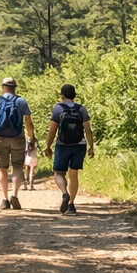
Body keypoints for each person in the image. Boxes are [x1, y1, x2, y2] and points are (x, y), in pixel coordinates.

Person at [0, 76, 36, 211]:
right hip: (18, 137)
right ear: (15, 88)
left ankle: (5, 199)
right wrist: (32, 137)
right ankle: (15, 195)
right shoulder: (21, 101)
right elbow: (28, 122)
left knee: (2, 168)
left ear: (3, 87)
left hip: (0, 137)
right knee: (18, 166)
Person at [43, 84, 94, 216]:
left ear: (62, 95)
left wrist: (48, 146)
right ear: (74, 95)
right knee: (73, 174)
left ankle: (65, 194)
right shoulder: (81, 108)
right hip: (79, 144)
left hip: (63, 144)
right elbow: (88, 129)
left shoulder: (58, 109)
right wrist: (91, 146)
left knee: (59, 173)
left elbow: (53, 130)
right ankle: (71, 204)